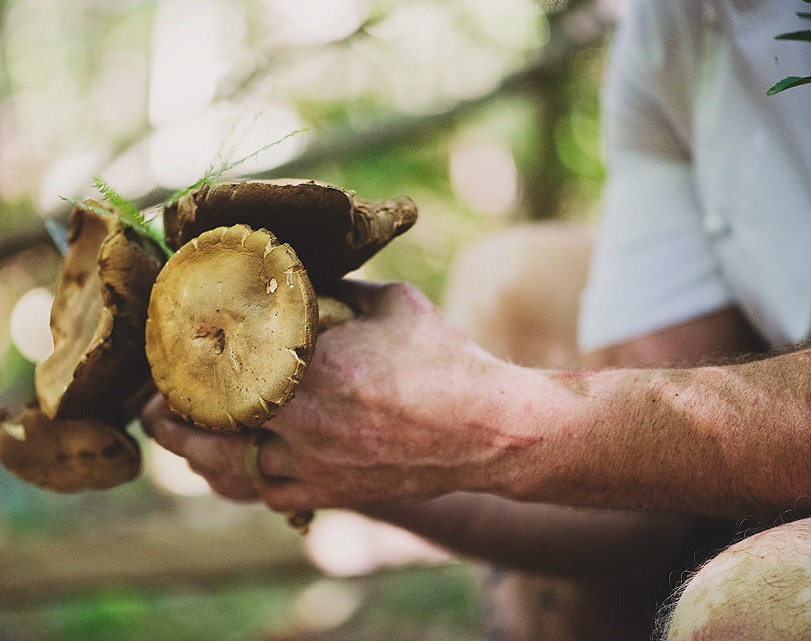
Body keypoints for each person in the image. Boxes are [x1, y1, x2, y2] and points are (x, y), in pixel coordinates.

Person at [141, 1, 811, 639]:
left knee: (750, 608)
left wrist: (486, 418)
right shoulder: (670, 29)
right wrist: (348, 453)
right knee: (512, 279)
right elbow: (658, 502)